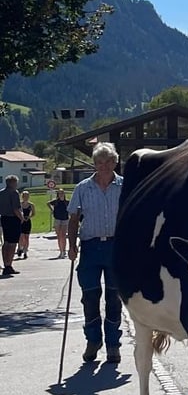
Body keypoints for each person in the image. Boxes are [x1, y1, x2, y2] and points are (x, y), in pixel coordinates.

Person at [67, 142, 124, 363]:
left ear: (114, 162)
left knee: (113, 298)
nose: (103, 166)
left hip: (115, 247)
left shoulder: (124, 186)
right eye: (99, 162)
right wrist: (71, 246)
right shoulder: (83, 188)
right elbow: (73, 220)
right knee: (90, 297)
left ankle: (113, 345)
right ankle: (93, 341)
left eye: (108, 162)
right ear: (94, 164)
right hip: (90, 247)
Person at [0, 175, 22, 278]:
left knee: (6, 242)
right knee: (13, 243)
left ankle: (5, 264)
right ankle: (9, 264)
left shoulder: (1, 193)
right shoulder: (14, 193)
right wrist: (21, 218)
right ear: (12, 183)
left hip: (4, 218)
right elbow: (16, 209)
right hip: (13, 219)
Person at [48, 187, 70, 258]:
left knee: (63, 235)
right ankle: (61, 250)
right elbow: (48, 203)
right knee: (59, 236)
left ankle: (64, 251)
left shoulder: (66, 202)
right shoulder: (56, 201)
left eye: (62, 193)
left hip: (65, 219)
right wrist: (52, 210)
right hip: (57, 219)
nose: (61, 194)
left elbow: (70, 208)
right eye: (60, 193)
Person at [17, 191, 35, 259]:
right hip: (21, 222)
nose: (26, 198)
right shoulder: (19, 204)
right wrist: (21, 217)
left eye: (27, 196)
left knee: (26, 237)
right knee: (21, 237)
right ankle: (20, 248)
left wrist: (29, 217)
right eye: (24, 196)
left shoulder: (31, 205)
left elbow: (33, 213)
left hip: (27, 222)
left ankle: (25, 252)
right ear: (22, 197)